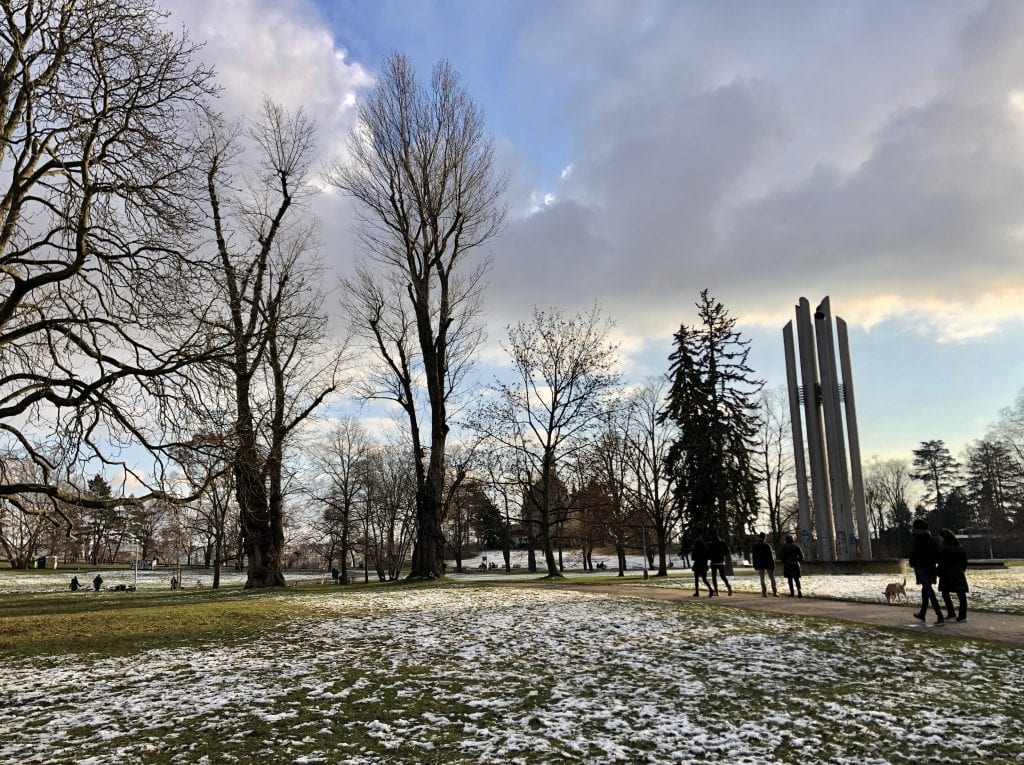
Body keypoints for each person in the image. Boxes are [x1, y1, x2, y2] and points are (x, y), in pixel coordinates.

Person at [909, 518, 944, 624]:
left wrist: (913, 562)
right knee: (926, 589)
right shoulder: (929, 538)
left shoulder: (916, 538)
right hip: (930, 566)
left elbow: (914, 553)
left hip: (921, 566)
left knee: (928, 589)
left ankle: (939, 615)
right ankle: (923, 613)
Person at [937, 528, 969, 622]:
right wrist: (961, 570)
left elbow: (941, 561)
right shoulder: (959, 547)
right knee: (961, 595)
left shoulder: (942, 548)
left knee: (945, 593)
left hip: (946, 573)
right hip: (958, 571)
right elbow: (964, 561)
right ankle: (962, 616)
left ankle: (951, 613)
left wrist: (939, 572)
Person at [752, 532, 779, 597]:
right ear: (764, 538)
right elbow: (770, 556)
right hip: (768, 564)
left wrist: (755, 565)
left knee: (762, 578)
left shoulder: (755, 546)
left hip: (760, 564)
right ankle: (774, 592)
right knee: (772, 578)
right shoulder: (767, 546)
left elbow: (754, 557)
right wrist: (773, 565)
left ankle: (764, 593)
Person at [707, 528, 732, 596]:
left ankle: (716, 591)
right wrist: (723, 554)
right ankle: (728, 586)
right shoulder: (722, 542)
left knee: (714, 577)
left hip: (714, 562)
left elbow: (709, 553)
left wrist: (710, 557)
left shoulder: (711, 543)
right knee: (723, 576)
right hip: (721, 561)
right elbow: (727, 551)